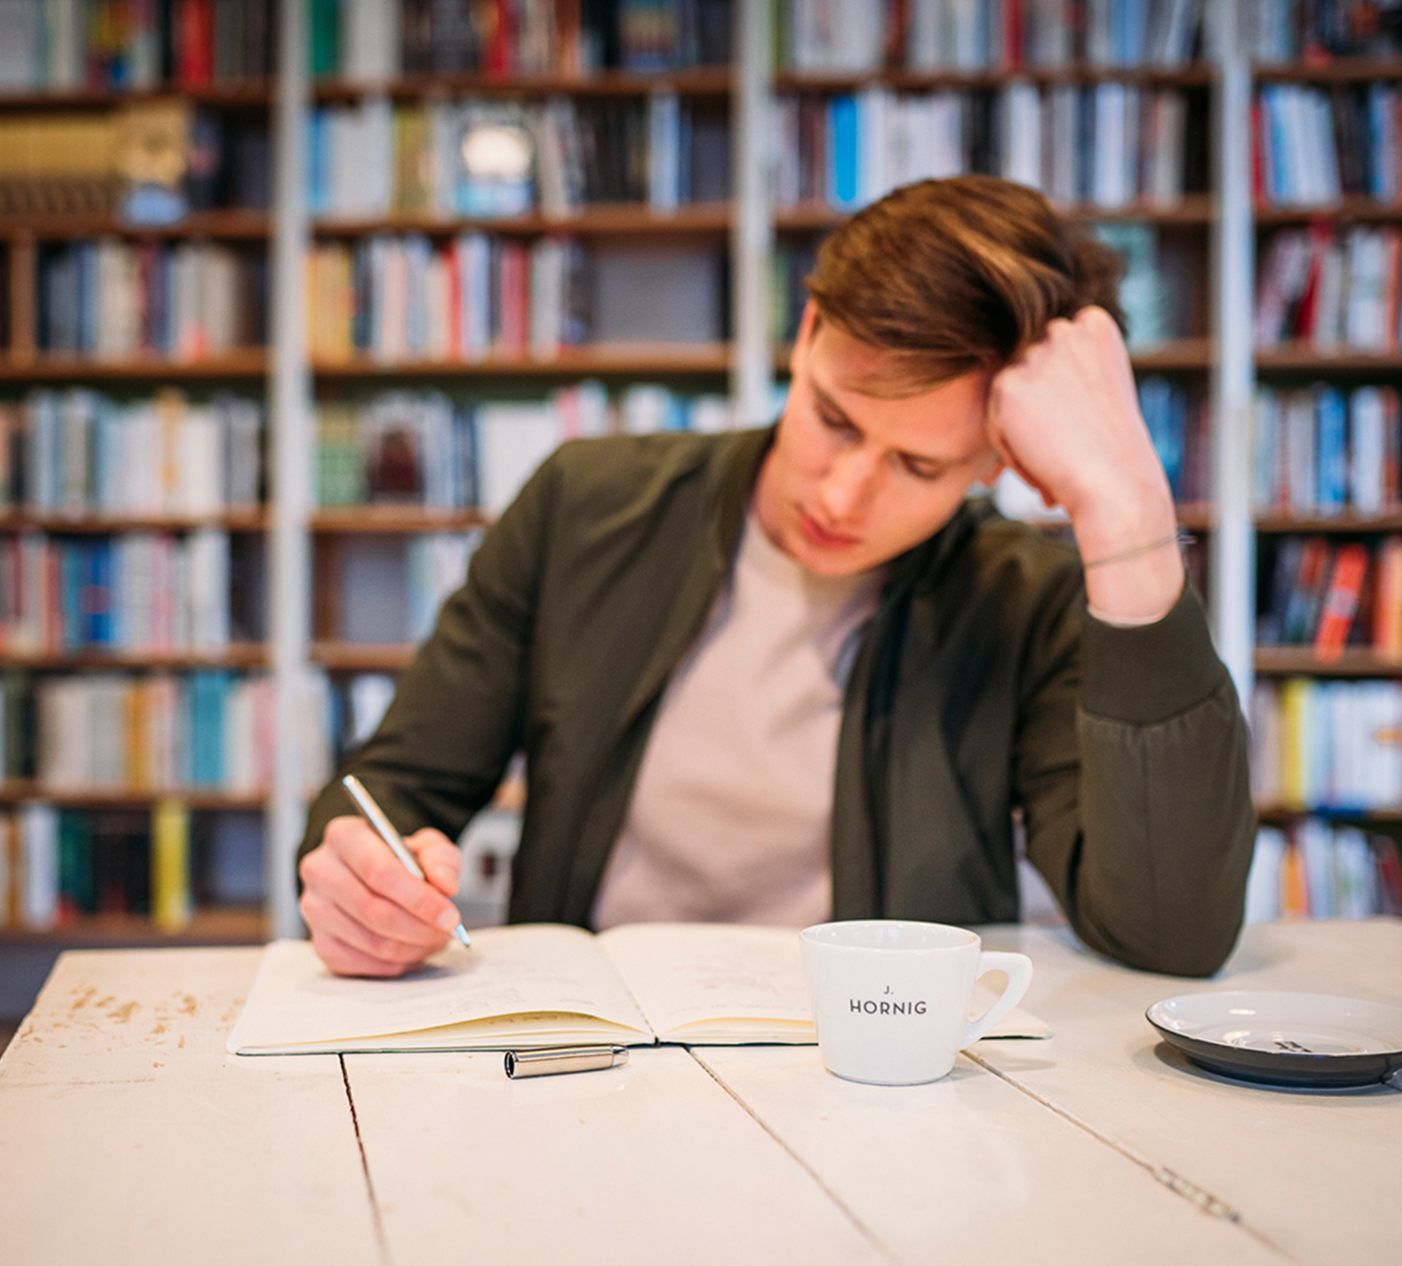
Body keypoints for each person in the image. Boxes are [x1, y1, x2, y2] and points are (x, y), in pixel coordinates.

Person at [295, 174, 1255, 981]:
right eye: (834, 417)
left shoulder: (1028, 599)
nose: (843, 494)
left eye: (918, 466)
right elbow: (394, 785)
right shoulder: (587, 506)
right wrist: (360, 875)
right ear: (805, 333)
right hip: (593, 1053)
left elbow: (1169, 936)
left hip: (882, 1079)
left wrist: (1126, 512)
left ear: (999, 459)